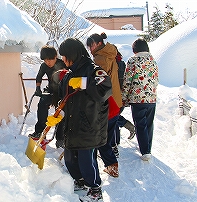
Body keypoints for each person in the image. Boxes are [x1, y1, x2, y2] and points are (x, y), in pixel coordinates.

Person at [52, 38, 112, 201]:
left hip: (89, 124)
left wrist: (85, 83)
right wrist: (58, 114)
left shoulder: (93, 70)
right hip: (72, 124)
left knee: (86, 159)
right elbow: (64, 98)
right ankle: (79, 181)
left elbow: (106, 88)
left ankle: (94, 189)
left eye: (65, 56)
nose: (63, 60)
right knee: (70, 158)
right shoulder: (69, 74)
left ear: (73, 54)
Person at [86, 32, 121, 177]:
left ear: (99, 43)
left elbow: (99, 83)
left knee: (102, 138)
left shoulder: (100, 59)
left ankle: (112, 165)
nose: (90, 49)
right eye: (88, 46)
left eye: (91, 45)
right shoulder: (111, 52)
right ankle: (113, 153)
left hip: (108, 101)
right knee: (109, 132)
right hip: (115, 99)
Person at [121, 38, 159, 161]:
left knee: (140, 124)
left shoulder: (133, 60)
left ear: (135, 50)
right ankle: (148, 148)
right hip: (151, 98)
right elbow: (156, 79)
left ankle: (144, 151)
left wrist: (124, 98)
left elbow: (127, 81)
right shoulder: (153, 60)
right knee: (149, 124)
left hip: (137, 98)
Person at [28, 45, 67, 148]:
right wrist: (38, 88)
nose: (48, 62)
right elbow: (39, 76)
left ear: (55, 57)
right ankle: (40, 131)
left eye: (50, 59)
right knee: (41, 105)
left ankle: (60, 138)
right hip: (50, 89)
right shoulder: (44, 66)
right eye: (45, 60)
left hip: (62, 92)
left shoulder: (62, 64)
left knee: (60, 114)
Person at [111, 49, 136, 157]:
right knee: (114, 118)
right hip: (120, 96)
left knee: (113, 119)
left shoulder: (114, 64)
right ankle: (117, 141)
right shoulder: (121, 63)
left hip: (115, 95)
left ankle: (115, 143)